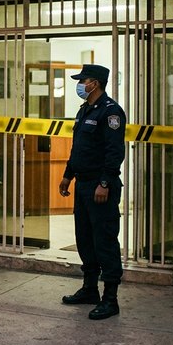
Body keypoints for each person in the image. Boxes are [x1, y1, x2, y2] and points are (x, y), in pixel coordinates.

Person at [59, 64, 126, 321]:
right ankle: (90, 289)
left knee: (105, 240)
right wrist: (68, 175)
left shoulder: (111, 112)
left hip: (100, 186)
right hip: (82, 184)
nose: (80, 84)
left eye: (83, 80)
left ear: (94, 83)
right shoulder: (84, 109)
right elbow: (79, 149)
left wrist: (106, 183)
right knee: (85, 238)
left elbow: (114, 151)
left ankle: (110, 298)